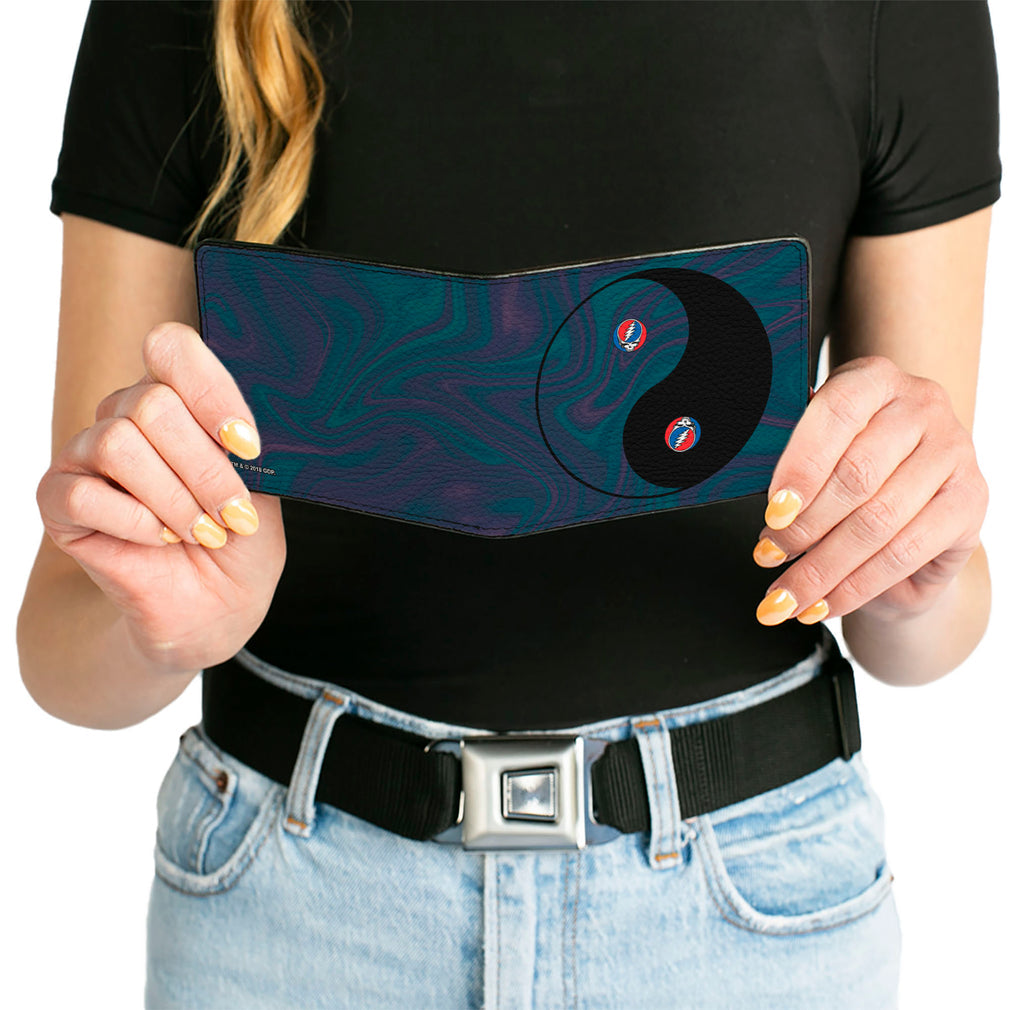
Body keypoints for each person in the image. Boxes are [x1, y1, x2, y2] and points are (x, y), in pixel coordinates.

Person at [17, 1, 999, 1007]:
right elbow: (60, 644)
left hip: (747, 908)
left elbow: (926, 625)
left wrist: (910, 571)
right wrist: (163, 628)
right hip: (291, 908)